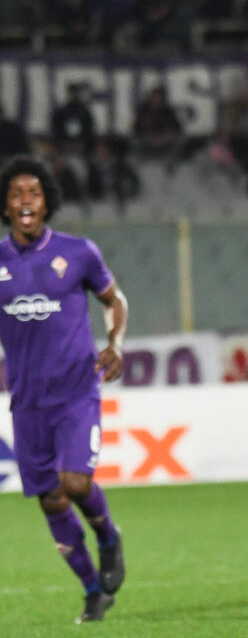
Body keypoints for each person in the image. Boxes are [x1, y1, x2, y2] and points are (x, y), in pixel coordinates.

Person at [0, 155, 128, 623]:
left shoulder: (78, 253)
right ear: (6, 207)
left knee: (74, 483)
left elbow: (114, 299)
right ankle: (93, 591)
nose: (25, 201)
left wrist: (115, 343)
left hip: (76, 392)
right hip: (27, 401)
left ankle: (108, 536)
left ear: (46, 203)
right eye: (16, 194)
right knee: (50, 499)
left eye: (34, 193)